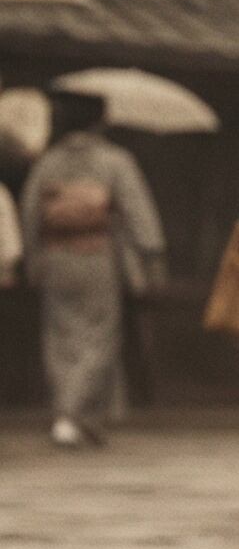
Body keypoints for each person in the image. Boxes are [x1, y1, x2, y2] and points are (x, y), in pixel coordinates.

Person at [22, 91, 163, 449]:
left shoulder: (48, 163)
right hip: (97, 256)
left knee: (60, 338)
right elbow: (138, 211)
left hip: (55, 257)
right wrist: (150, 251)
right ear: (100, 121)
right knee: (98, 337)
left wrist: (34, 257)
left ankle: (79, 418)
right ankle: (71, 416)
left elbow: (30, 213)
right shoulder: (114, 160)